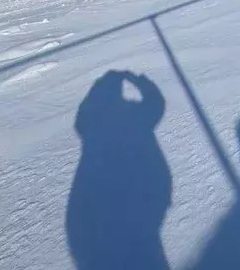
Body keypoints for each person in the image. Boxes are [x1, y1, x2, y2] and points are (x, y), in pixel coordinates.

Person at [66, 71, 171, 269]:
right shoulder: (137, 116)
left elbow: (80, 119)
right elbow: (157, 104)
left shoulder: (91, 125)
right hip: (139, 210)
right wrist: (139, 81)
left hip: (103, 220)